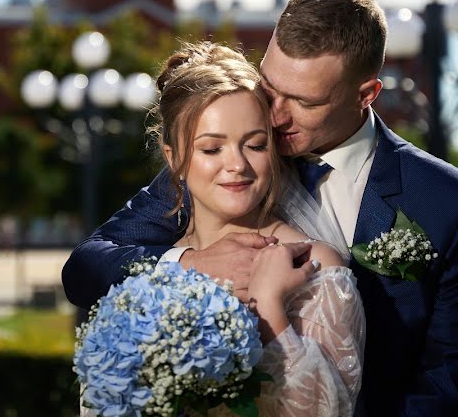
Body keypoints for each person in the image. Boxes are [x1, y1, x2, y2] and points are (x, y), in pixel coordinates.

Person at [63, 0, 458, 416]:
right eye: (270, 86)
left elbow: (454, 376)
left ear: (366, 94)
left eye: (304, 101)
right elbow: (86, 266)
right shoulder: (223, 164)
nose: (276, 115)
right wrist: (190, 266)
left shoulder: (443, 200)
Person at [84, 41, 365, 416]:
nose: (237, 165)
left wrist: (269, 307)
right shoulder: (155, 269)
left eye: (255, 145)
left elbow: (329, 410)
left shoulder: (313, 264)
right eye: (212, 149)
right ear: (175, 158)